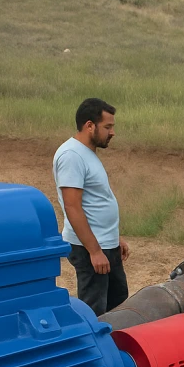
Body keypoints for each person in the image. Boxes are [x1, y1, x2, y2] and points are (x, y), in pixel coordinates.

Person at [53, 98, 130, 317]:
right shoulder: (71, 156)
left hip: (105, 243)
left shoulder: (87, 152)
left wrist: (114, 237)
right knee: (95, 310)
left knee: (118, 304)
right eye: (108, 126)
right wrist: (95, 251)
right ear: (89, 125)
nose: (112, 132)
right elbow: (72, 207)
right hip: (90, 248)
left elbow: (96, 201)